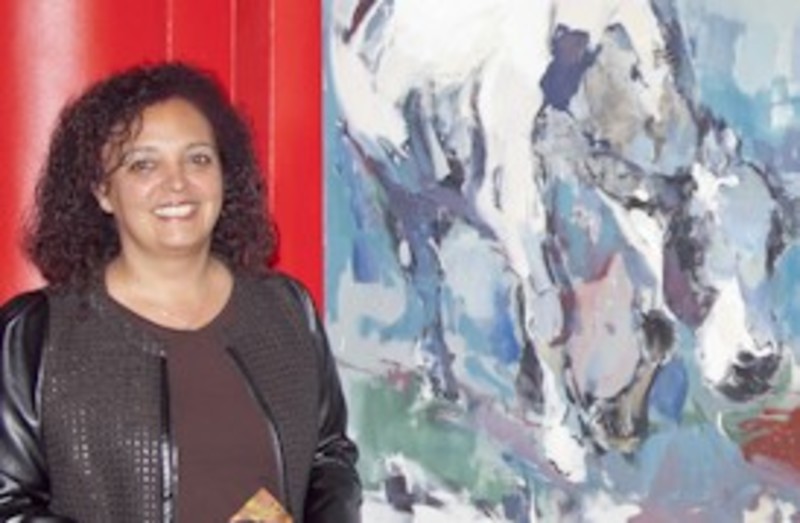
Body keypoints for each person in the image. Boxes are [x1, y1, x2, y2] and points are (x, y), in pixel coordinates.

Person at [0, 61, 361, 522]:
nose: (177, 183)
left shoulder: (285, 308)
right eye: (143, 164)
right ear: (103, 191)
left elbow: (329, 459)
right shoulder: (36, 334)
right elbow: (9, 506)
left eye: (198, 159)